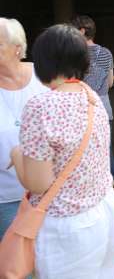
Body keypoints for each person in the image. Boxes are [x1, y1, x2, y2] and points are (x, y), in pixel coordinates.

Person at [10, 24, 114, 277]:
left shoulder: (40, 105)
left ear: (42, 62)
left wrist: (17, 156)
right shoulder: (91, 96)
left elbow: (38, 183)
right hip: (107, 208)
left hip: (68, 225)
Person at [0, 18, 48, 240]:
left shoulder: (44, 77)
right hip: (6, 198)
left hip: (50, 191)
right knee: (17, 269)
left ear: (17, 48)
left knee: (53, 263)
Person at [71, 15, 114, 178]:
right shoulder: (106, 53)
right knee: (106, 148)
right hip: (103, 106)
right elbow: (110, 82)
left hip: (82, 108)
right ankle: (110, 186)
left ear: (82, 31)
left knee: (84, 151)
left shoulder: (74, 55)